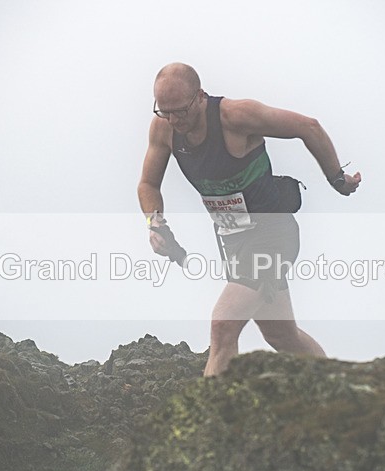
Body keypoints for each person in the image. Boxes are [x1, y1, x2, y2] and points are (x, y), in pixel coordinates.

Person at [137, 63, 361, 377]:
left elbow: (308, 127)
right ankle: (338, 385)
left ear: (201, 97)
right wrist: (155, 223)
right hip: (234, 242)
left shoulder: (236, 116)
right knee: (281, 335)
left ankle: (209, 417)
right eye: (165, 112)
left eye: (181, 112)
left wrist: (337, 178)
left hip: (273, 234)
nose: (174, 120)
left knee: (223, 324)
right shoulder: (164, 129)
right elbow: (148, 185)